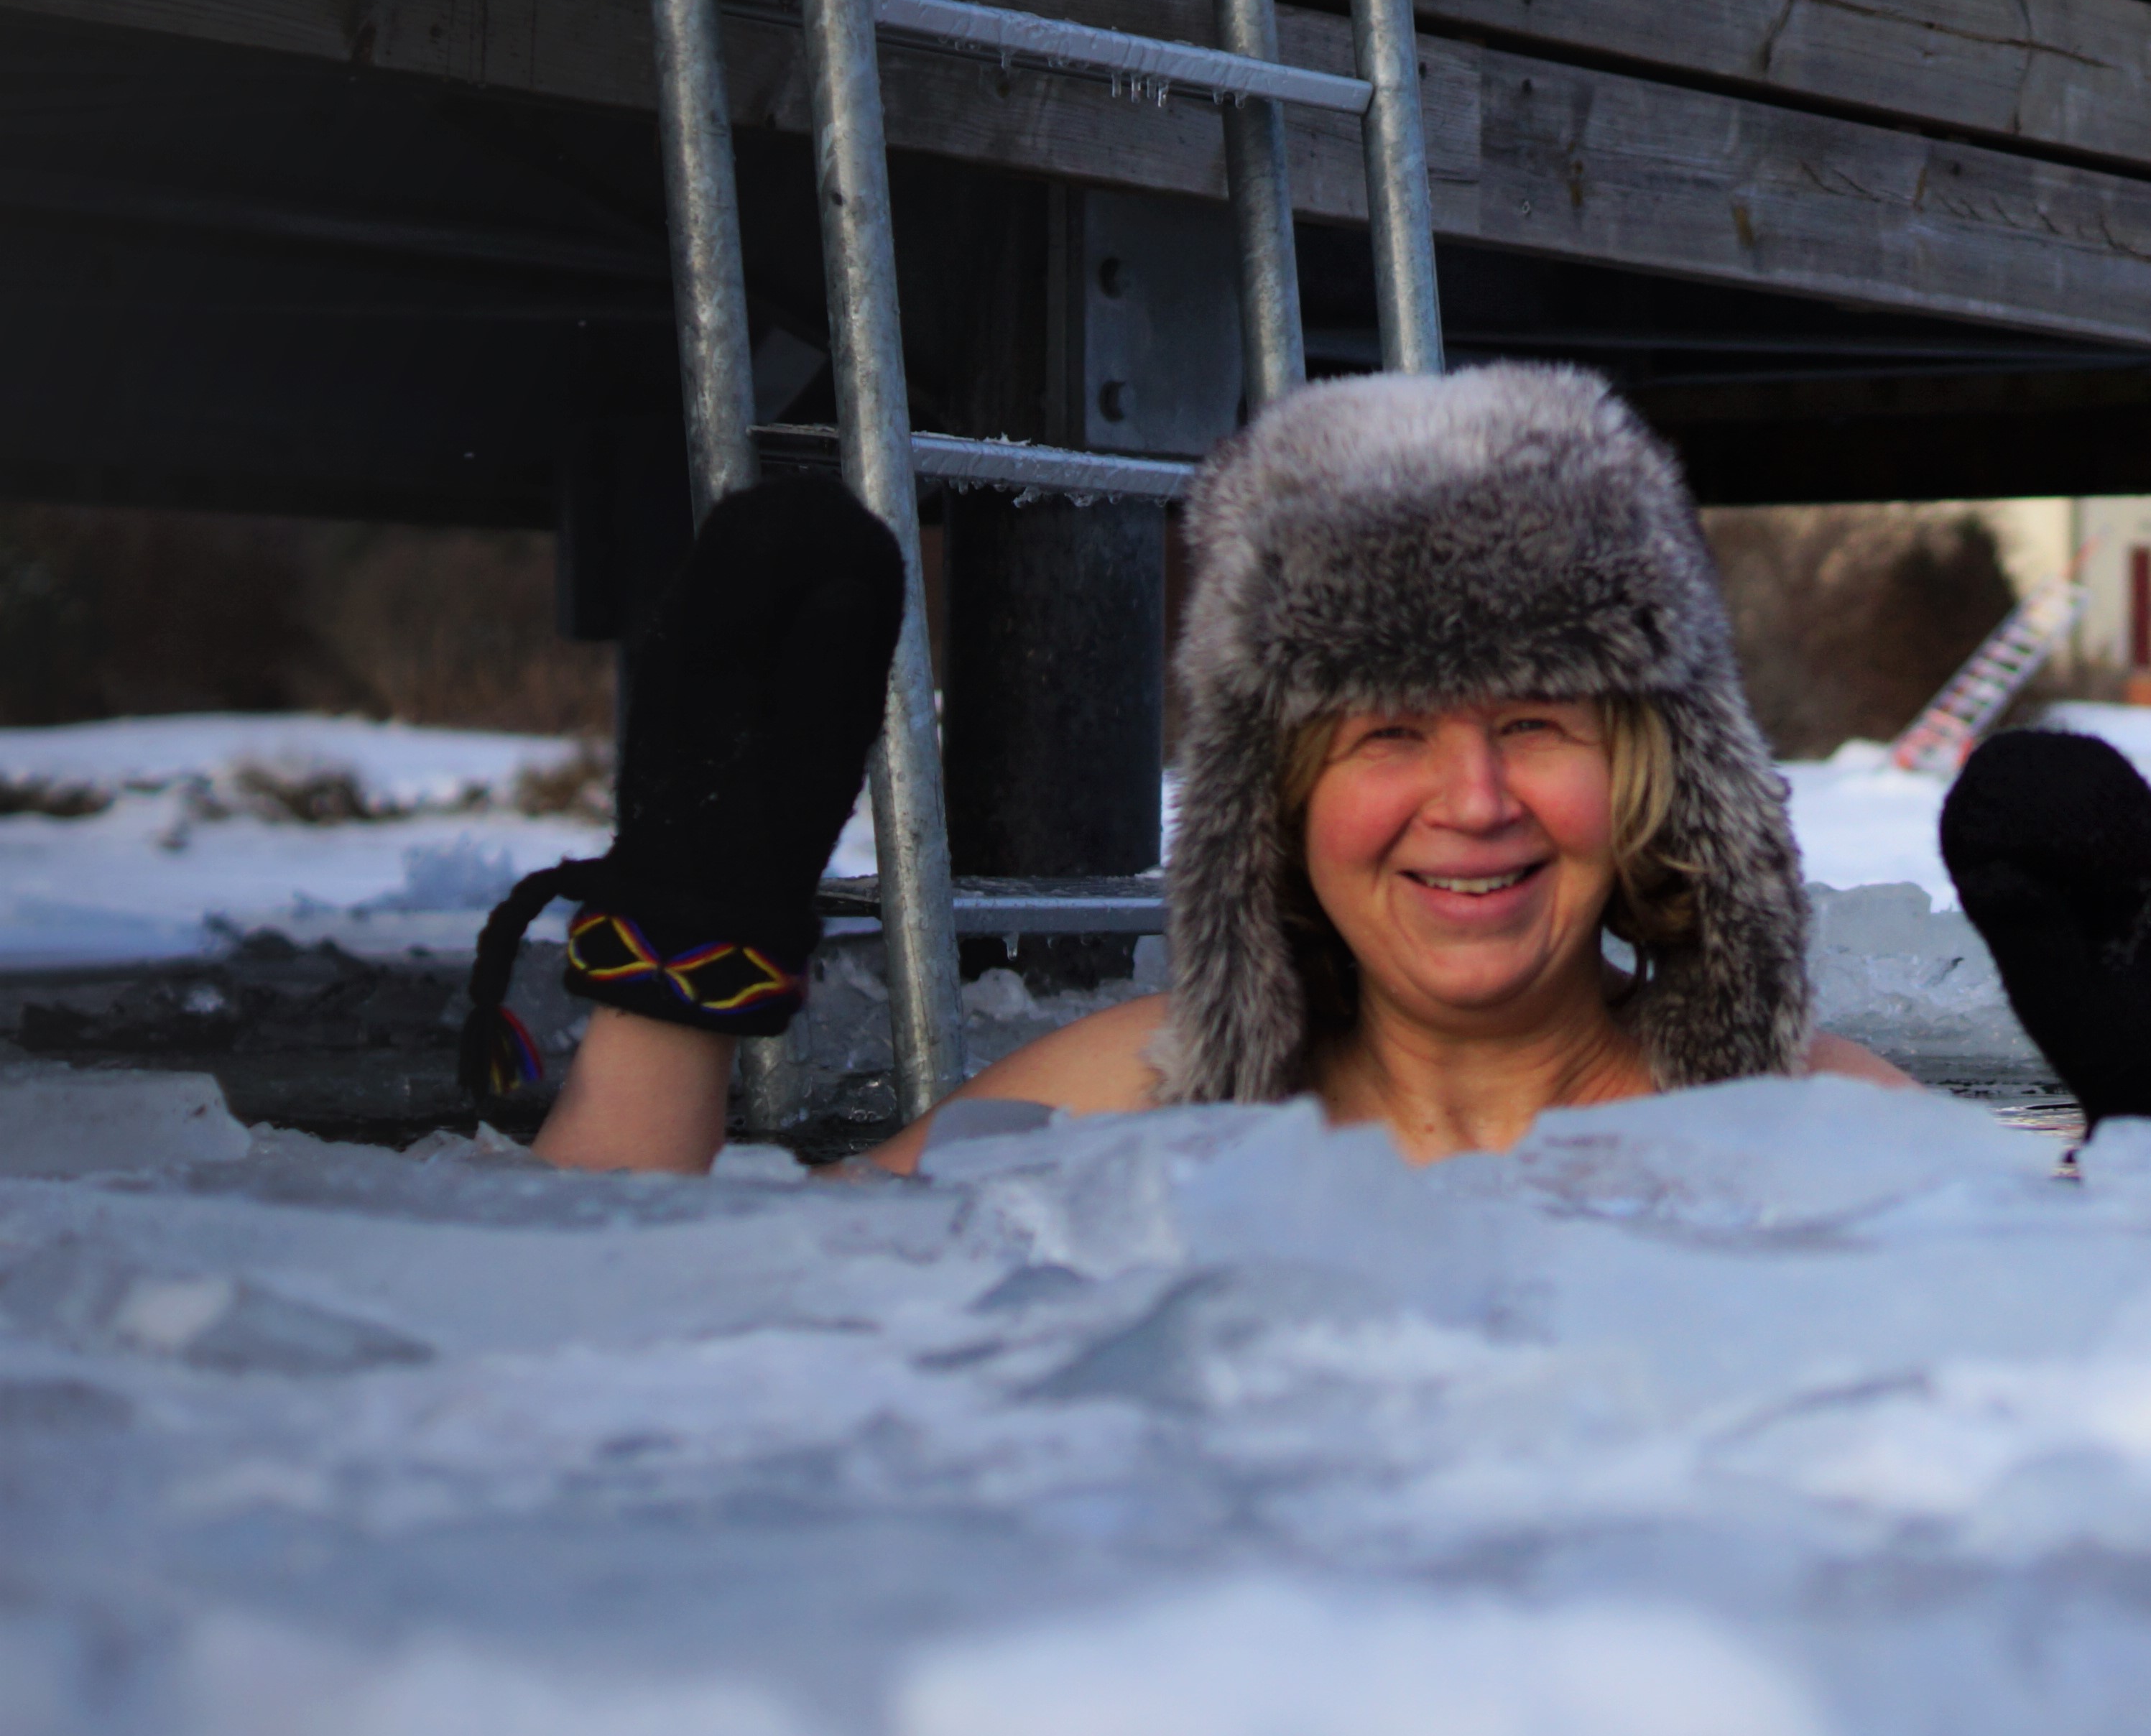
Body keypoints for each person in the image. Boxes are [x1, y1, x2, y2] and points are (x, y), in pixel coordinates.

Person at [483, 365, 1902, 1176]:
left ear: (1659, 769)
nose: (1473, 801)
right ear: (1271, 801)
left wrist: (2134, 1101)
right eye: (1387, 731)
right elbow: (661, 1332)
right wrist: (681, 972)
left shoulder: (1812, 1132)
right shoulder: (1122, 1114)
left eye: (1539, 722)